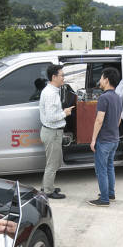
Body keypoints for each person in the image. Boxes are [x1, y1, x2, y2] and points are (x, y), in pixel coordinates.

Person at [88, 67, 122, 207]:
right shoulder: (118, 98)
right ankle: (110, 193)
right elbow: (119, 119)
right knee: (109, 167)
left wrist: (93, 139)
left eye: (101, 78)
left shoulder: (104, 97)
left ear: (106, 80)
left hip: (104, 140)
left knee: (101, 169)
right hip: (114, 139)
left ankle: (104, 199)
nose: (100, 80)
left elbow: (99, 120)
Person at [39, 64, 74, 199]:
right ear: (54, 77)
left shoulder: (51, 91)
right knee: (52, 164)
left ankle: (48, 185)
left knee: (54, 162)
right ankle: (47, 191)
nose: (63, 78)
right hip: (52, 132)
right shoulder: (50, 94)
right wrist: (65, 113)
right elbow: (51, 117)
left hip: (52, 132)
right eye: (62, 75)